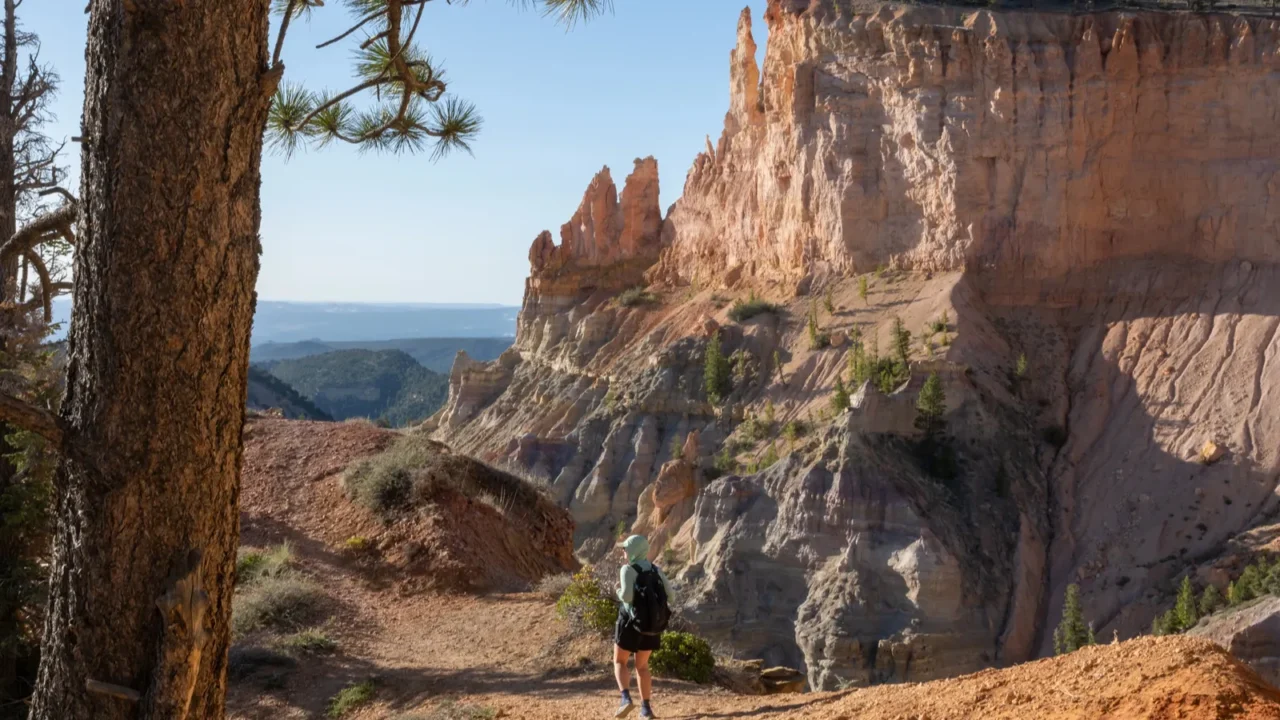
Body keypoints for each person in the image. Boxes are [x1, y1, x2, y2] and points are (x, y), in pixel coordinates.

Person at [613, 534, 674, 719]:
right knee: (643, 666)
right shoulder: (656, 570)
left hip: (630, 623)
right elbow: (672, 597)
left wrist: (616, 590)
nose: (623, 551)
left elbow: (627, 597)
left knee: (620, 661)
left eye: (625, 548)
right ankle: (646, 710)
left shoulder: (627, 570)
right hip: (652, 626)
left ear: (632, 551)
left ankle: (625, 699)